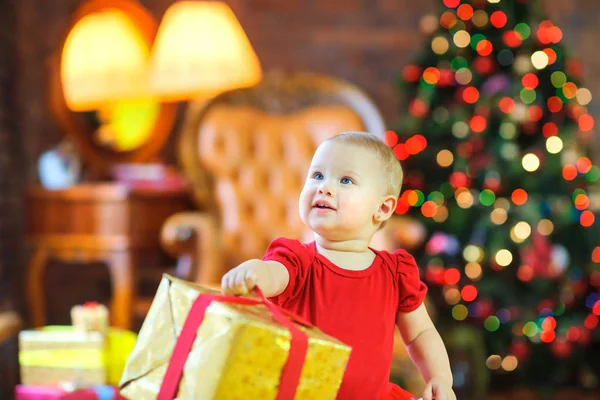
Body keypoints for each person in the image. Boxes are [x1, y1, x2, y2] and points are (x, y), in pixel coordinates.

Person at [221, 132, 456, 400]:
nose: (324, 187)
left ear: (382, 208)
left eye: (345, 180)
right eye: (317, 175)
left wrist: (440, 377)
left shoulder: (395, 273)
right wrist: (257, 272)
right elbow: (275, 273)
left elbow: (420, 333)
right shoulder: (297, 260)